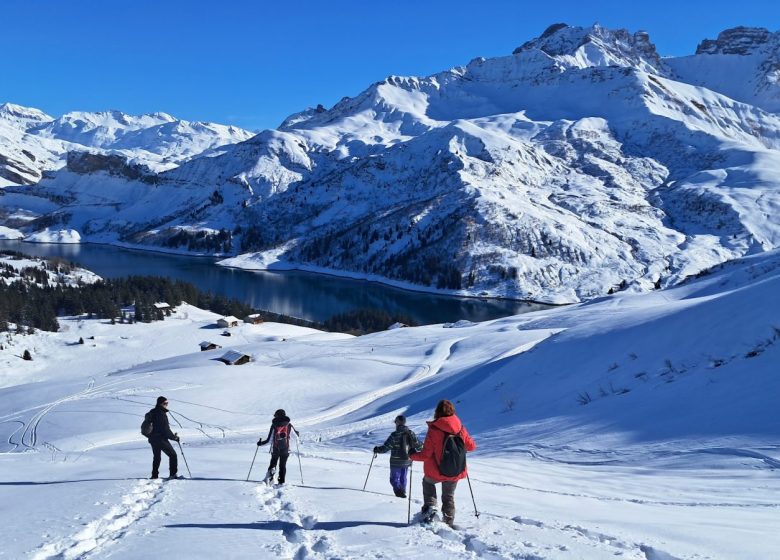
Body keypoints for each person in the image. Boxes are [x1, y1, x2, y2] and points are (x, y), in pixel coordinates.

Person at [410, 399, 476, 527]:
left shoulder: (434, 430)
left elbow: (425, 455)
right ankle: (449, 521)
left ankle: (430, 509)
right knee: (448, 496)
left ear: (437, 412)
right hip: (455, 470)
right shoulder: (460, 428)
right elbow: (472, 446)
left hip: (436, 471)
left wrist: (412, 455)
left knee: (428, 483)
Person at [372, 415, 422, 498]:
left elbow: (385, 448)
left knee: (394, 478)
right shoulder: (411, 433)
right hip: (407, 460)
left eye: (395, 421)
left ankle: (399, 492)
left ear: (398, 422)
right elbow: (419, 445)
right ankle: (403, 491)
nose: (395, 423)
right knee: (403, 477)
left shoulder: (394, 435)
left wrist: (377, 449)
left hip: (395, 461)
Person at [257, 409, 299, 485]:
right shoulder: (289, 425)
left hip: (276, 449)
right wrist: (296, 435)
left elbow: (269, 440)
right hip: (285, 449)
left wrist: (260, 443)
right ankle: (281, 481)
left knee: (273, 463)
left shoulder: (274, 425)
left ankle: (270, 478)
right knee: (282, 465)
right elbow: (296, 437)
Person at [146, 396, 180, 480]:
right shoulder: (161, 414)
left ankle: (154, 476)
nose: (166, 405)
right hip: (160, 439)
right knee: (173, 455)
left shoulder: (153, 412)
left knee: (157, 457)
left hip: (152, 439)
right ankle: (173, 475)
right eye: (165, 403)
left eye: (167, 403)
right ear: (160, 403)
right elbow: (165, 429)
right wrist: (174, 438)